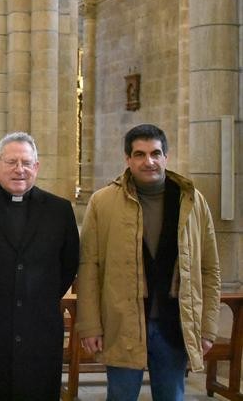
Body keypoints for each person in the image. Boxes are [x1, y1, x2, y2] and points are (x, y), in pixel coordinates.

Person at [76, 124, 221, 400]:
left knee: (172, 395)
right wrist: (91, 325)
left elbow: (209, 268)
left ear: (166, 156)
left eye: (155, 153)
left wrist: (207, 327)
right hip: (122, 323)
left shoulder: (192, 200)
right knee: (120, 396)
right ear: (128, 159)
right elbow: (89, 267)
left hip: (174, 323)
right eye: (140, 154)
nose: (149, 161)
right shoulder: (103, 202)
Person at [0, 132, 79, 400]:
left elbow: (68, 263)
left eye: (26, 162)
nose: (19, 169)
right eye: (11, 161)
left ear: (36, 167)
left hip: (40, 330)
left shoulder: (59, 210)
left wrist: (34, 294)